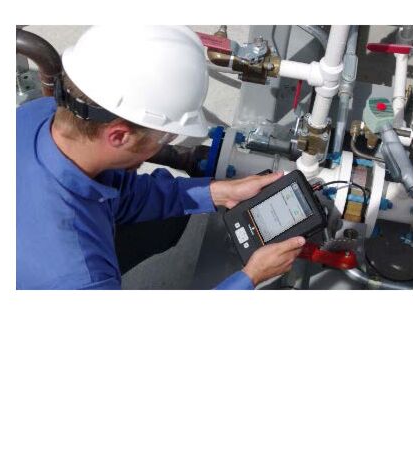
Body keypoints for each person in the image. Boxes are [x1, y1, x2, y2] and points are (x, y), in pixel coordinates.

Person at [16, 25, 305, 290]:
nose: (163, 148)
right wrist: (251, 276)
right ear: (119, 136)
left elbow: (121, 193)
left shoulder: (39, 115)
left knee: (169, 222)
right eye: (165, 138)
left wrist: (217, 192)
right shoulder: (79, 275)